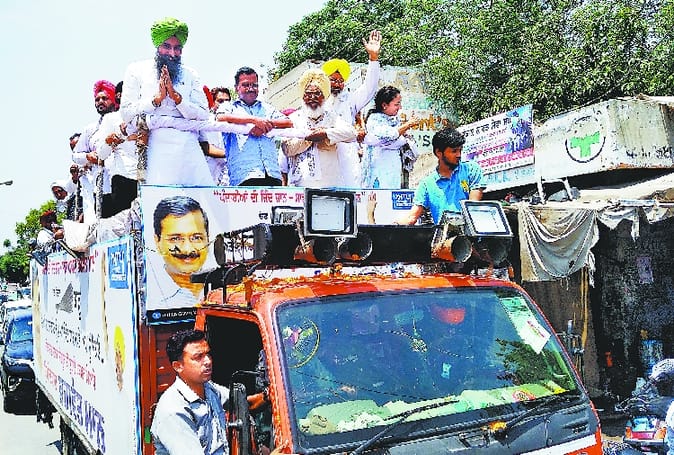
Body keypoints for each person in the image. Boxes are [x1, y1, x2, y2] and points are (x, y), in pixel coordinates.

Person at [151, 329, 281, 455]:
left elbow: (244, 404)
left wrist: (270, 395)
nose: (208, 361)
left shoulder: (209, 388)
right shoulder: (173, 410)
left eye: (208, 354)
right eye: (198, 357)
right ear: (178, 366)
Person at [120, 17, 213, 186]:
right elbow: (126, 113)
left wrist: (178, 99)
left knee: (201, 198)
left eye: (177, 48)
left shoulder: (190, 74)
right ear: (157, 46)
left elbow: (203, 114)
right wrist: (156, 100)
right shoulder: (136, 70)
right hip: (155, 148)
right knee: (160, 199)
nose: (172, 53)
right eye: (167, 47)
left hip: (189, 149)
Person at [322, 30, 382, 187]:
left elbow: (369, 88)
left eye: (340, 81)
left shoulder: (349, 100)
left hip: (347, 161)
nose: (337, 84)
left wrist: (373, 58)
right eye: (333, 80)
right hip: (324, 159)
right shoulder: (317, 101)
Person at [280, 68, 356, 187]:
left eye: (317, 94)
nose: (312, 97)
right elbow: (287, 149)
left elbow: (352, 133)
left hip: (330, 186)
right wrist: (308, 138)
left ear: (324, 97)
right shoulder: (294, 119)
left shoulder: (332, 118)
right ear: (303, 97)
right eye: (308, 94)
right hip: (300, 186)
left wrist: (325, 133)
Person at [219, 66, 293, 186]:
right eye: (245, 85)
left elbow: (288, 122)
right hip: (244, 175)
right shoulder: (229, 107)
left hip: (271, 174)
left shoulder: (267, 108)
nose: (251, 88)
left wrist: (265, 125)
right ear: (236, 88)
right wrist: (254, 121)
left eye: (254, 85)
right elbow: (221, 118)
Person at [398, 127, 486, 225]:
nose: (459, 155)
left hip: (469, 231)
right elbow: (412, 217)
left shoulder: (471, 169)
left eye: (460, 150)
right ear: (438, 152)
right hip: (443, 234)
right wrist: (392, 226)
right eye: (454, 151)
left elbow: (472, 208)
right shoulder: (426, 184)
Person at [149, 196, 210, 309]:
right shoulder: (152, 298)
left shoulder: (227, 291)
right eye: (175, 239)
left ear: (208, 239)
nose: (187, 249)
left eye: (196, 238)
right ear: (157, 242)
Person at [72, 80, 117, 223]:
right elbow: (75, 156)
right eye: (97, 99)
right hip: (101, 189)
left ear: (113, 99)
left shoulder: (122, 123)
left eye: (105, 98)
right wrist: (88, 156)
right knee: (105, 227)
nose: (100, 102)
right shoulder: (90, 130)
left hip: (123, 183)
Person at [361, 85, 420, 189]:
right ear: (384, 105)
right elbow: (390, 135)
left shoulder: (394, 120)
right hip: (379, 168)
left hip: (392, 168)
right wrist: (408, 125)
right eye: (396, 104)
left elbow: (399, 138)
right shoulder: (375, 120)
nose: (400, 107)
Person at [96, 82, 139, 218]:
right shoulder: (111, 119)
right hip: (124, 178)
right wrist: (111, 141)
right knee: (126, 222)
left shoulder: (147, 114)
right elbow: (101, 153)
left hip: (149, 178)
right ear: (119, 96)